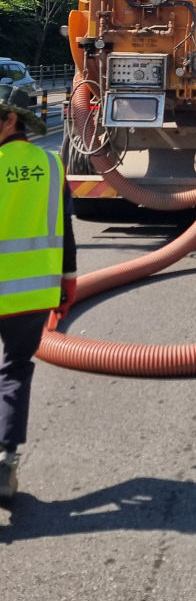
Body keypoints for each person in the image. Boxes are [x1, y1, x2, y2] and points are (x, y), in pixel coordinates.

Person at [0, 84, 77, 500]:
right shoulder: (51, 165)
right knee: (14, 371)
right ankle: (5, 460)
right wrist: (69, 281)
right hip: (29, 296)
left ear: (10, 120)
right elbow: (65, 229)